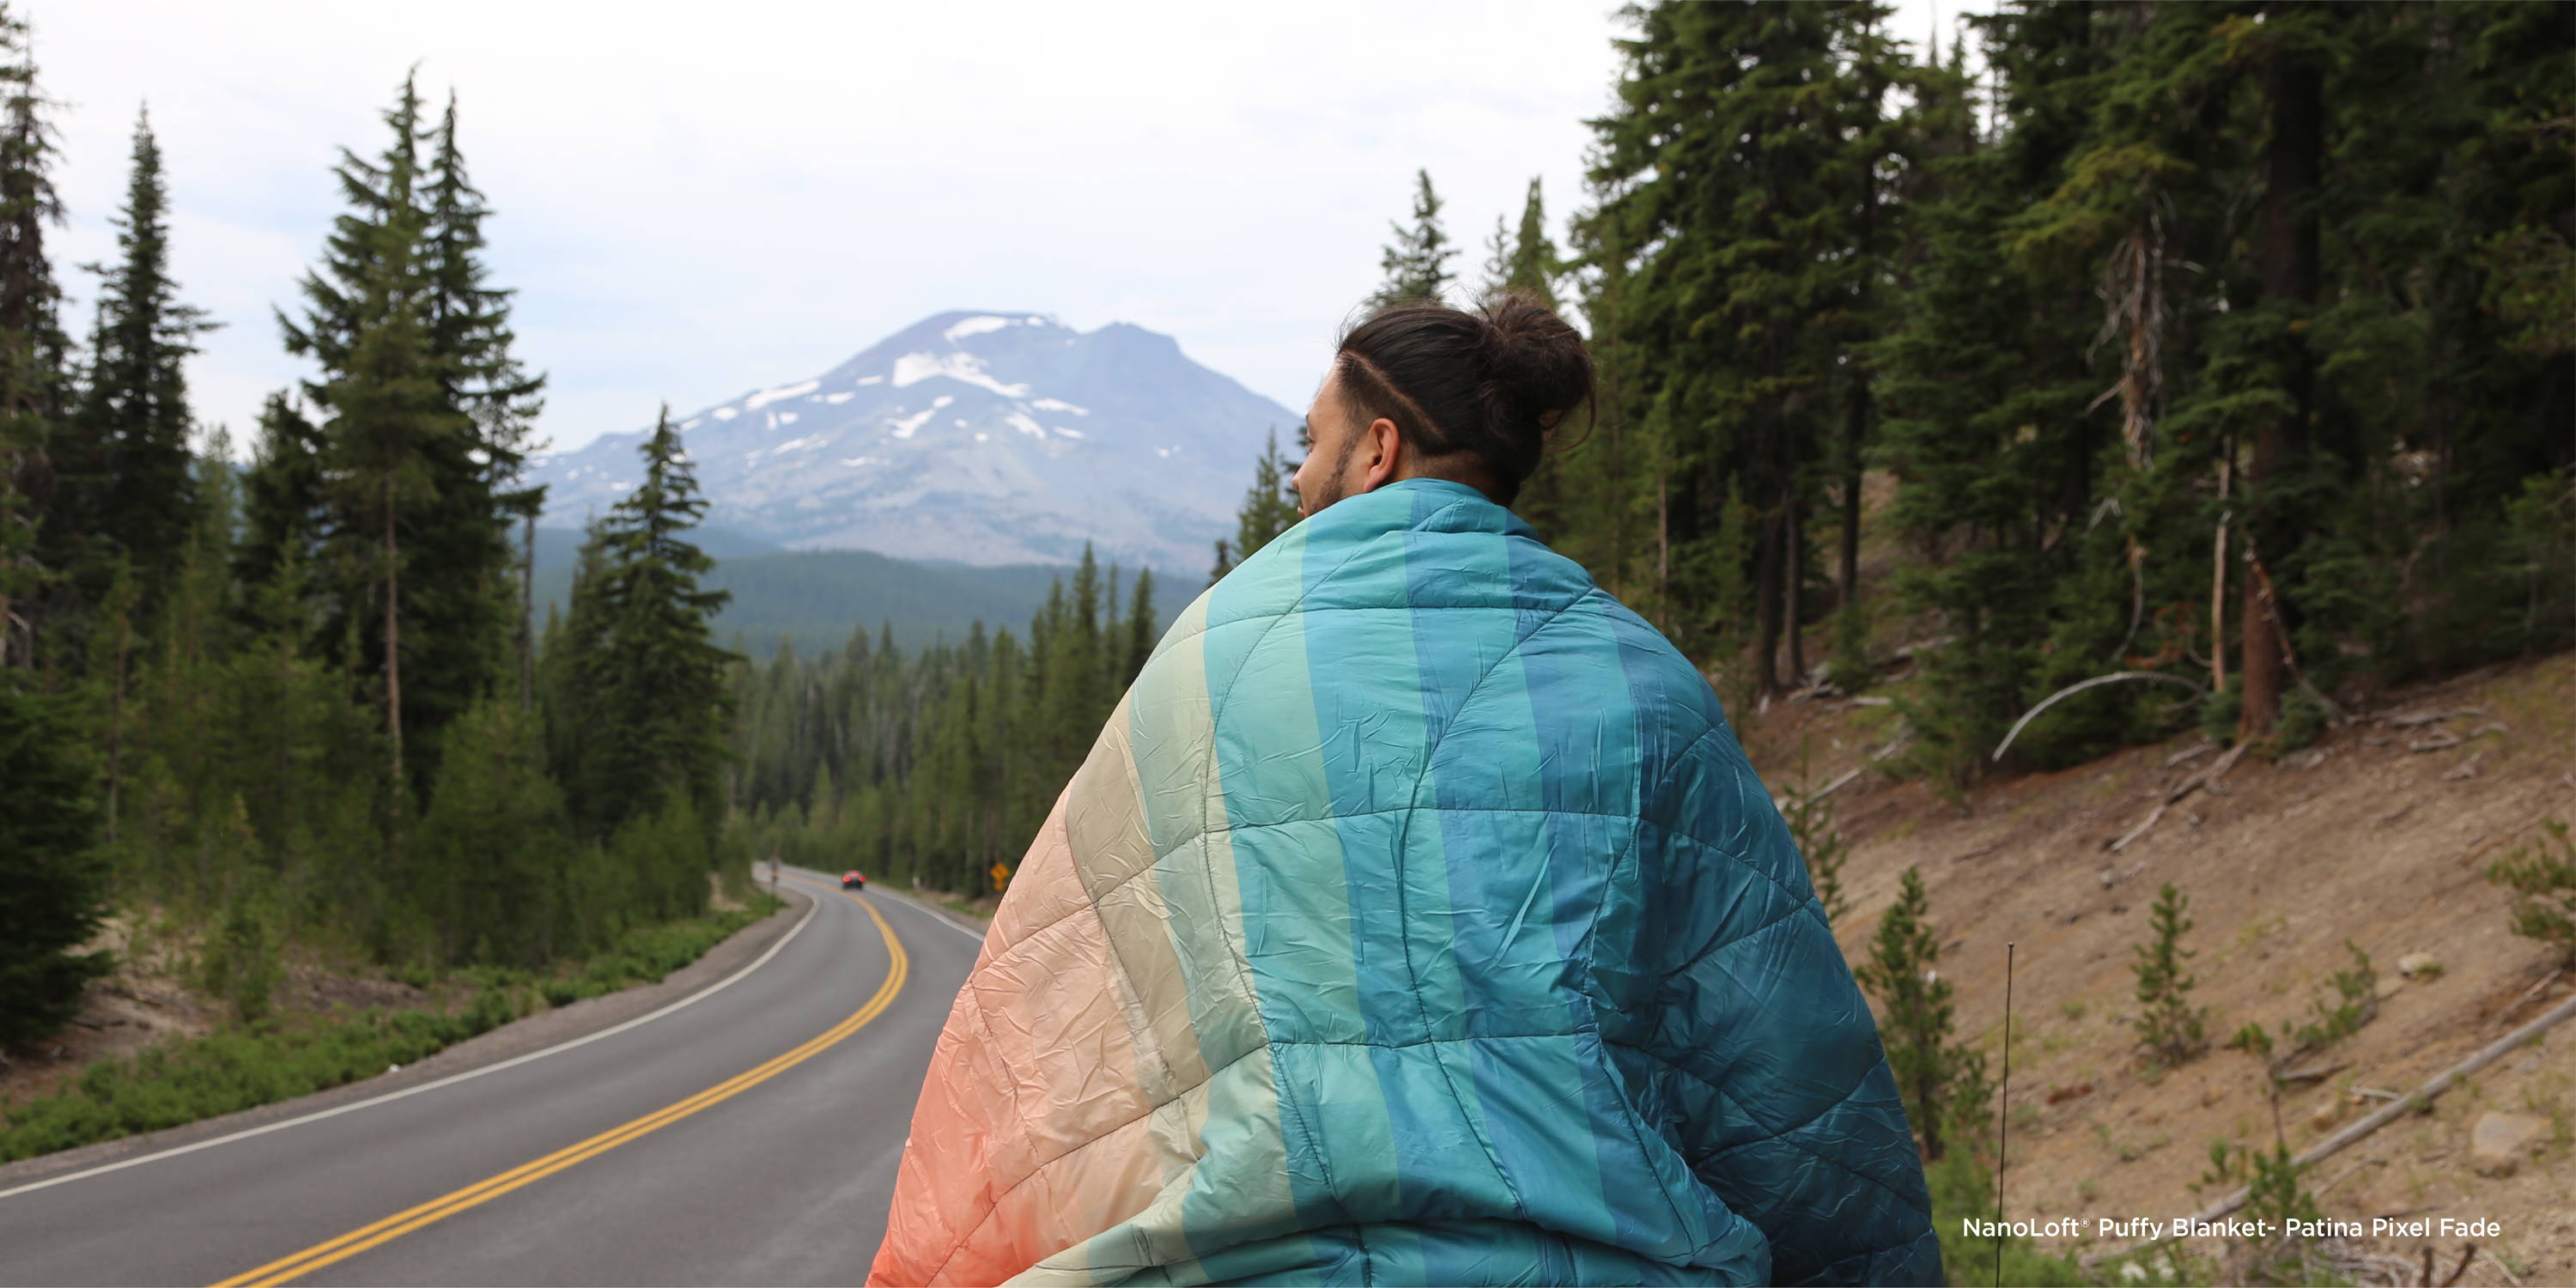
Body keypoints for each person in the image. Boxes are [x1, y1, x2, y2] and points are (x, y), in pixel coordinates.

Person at [870, 295, 1939, 1286]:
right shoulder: (1645, 680)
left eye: (1309, 443)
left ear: (1376, 450)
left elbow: (1060, 1017)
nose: (1296, 478)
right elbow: (1780, 1059)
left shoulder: (1211, 662)